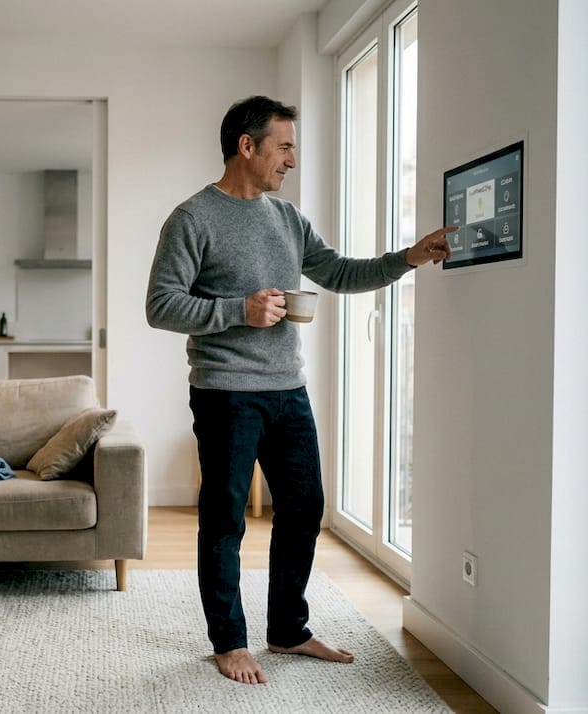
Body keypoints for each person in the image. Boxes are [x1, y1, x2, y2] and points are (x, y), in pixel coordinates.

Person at [145, 95, 455, 685]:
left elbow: (337, 272)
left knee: (305, 507)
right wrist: (241, 309)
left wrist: (408, 258)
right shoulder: (192, 218)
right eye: (284, 146)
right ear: (247, 145)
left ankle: (286, 629)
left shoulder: (286, 218)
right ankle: (229, 640)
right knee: (225, 517)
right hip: (225, 392)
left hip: (288, 389)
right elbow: (161, 305)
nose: (291, 160)